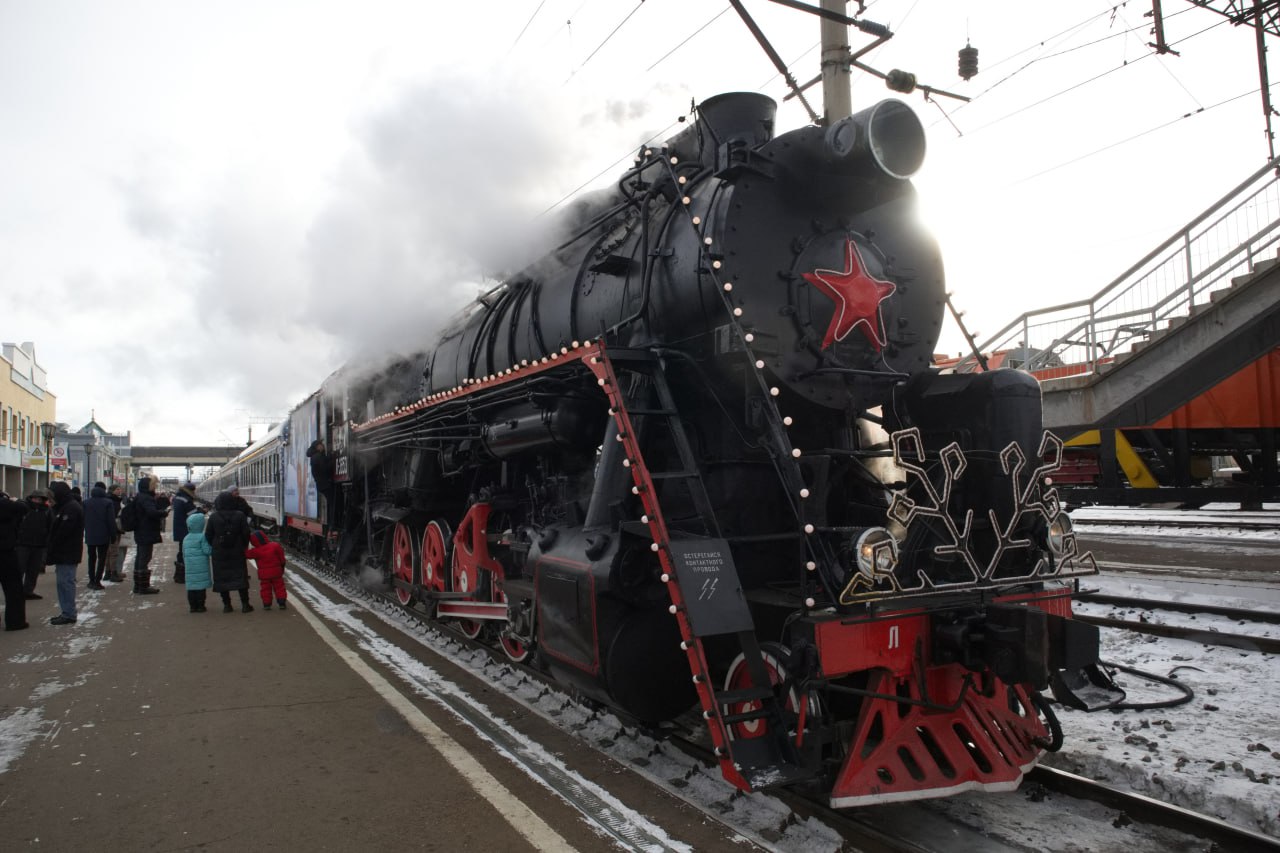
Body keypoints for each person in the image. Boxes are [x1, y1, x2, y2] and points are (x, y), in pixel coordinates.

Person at [205, 491, 252, 612]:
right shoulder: (240, 515)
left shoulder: (214, 517)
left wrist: (216, 545)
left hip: (219, 552)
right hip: (237, 550)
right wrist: (243, 546)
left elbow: (208, 535)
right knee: (240, 577)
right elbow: (246, 533)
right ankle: (245, 605)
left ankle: (227, 605)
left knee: (222, 578)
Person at [46, 481, 84, 625]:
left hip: (67, 552)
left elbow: (63, 532)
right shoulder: (66, 506)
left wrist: (52, 546)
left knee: (65, 583)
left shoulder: (70, 508)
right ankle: (67, 612)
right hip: (65, 552)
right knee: (63, 583)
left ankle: (69, 613)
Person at [0, 490, 30, 631]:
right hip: (6, 552)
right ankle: (15, 621)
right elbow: (24, 507)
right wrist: (13, 500)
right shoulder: (6, 505)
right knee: (13, 589)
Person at [132, 476, 166, 594]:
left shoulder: (140, 496)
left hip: (141, 530)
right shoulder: (146, 498)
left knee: (140, 557)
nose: (155, 487)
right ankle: (143, 586)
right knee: (145, 557)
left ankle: (138, 585)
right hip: (146, 531)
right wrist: (163, 512)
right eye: (154, 485)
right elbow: (151, 512)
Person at [16, 489, 53, 599]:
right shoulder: (24, 508)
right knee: (19, 569)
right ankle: (16, 591)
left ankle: (28, 591)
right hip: (22, 544)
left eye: (39, 499)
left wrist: (46, 541)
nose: (37, 501)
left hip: (39, 545)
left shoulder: (47, 511)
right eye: (35, 498)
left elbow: (50, 526)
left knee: (33, 570)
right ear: (31, 498)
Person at [82, 482, 117, 591]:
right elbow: (111, 521)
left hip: (90, 534)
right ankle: (97, 580)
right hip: (103, 535)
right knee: (102, 558)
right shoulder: (108, 503)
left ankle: (91, 580)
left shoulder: (86, 503)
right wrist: (113, 535)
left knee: (91, 558)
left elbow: (82, 518)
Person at [245, 530, 287, 610]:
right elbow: (282, 558)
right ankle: (282, 602)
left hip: (264, 575)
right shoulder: (275, 546)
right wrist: (282, 567)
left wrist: (245, 544)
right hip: (276, 572)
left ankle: (267, 604)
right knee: (279, 587)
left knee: (265, 589)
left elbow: (246, 554)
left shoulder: (255, 551)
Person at [181, 511, 213, 613]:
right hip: (201, 567)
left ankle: (192, 607)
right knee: (200, 588)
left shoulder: (186, 538)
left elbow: (183, 553)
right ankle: (200, 606)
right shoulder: (202, 537)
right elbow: (207, 551)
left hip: (190, 567)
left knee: (191, 588)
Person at [170, 482, 197, 584]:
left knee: (182, 552)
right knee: (185, 552)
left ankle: (179, 575)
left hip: (180, 528)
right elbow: (192, 514)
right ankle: (181, 576)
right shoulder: (186, 499)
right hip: (185, 529)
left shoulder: (179, 497)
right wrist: (201, 511)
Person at [307, 439, 336, 526]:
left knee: (331, 503)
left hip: (322, 484)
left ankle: (332, 524)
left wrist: (330, 457)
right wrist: (334, 460)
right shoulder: (317, 456)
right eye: (321, 444)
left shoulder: (315, 456)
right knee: (333, 504)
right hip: (325, 484)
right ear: (317, 447)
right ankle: (332, 524)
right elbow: (325, 468)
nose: (323, 446)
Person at [104, 484, 126, 583]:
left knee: (109, 552)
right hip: (114, 529)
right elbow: (113, 516)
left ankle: (108, 572)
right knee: (113, 551)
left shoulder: (113, 500)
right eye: (117, 489)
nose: (119, 491)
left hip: (111, 529)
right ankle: (113, 573)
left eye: (119, 489)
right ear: (112, 490)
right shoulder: (113, 501)